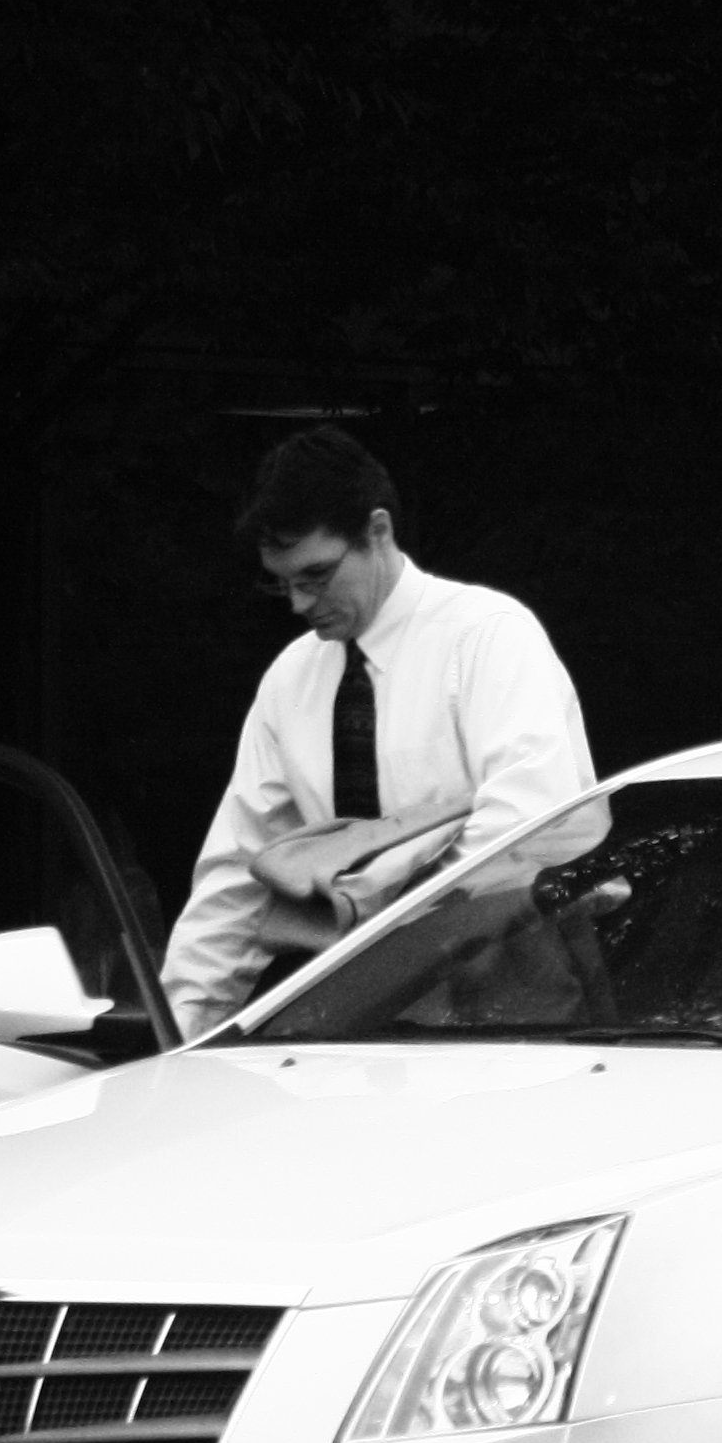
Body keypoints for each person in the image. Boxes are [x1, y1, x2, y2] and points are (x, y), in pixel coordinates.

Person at [163, 428, 596, 1038]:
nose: (298, 602)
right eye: (280, 581)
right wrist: (179, 1031)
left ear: (379, 533)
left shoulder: (487, 635)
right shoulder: (292, 679)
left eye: (315, 575)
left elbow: (524, 828)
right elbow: (238, 872)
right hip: (356, 1023)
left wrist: (391, 955)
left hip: (509, 1014)